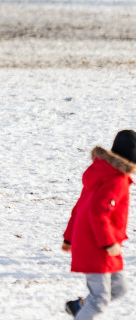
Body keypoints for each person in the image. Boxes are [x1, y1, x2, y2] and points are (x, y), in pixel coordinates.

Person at [62, 129, 136, 319]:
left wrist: (69, 238)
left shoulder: (102, 171)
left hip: (96, 240)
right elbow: (97, 212)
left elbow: (80, 207)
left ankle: (78, 307)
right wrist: (108, 243)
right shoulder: (116, 179)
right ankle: (82, 311)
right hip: (97, 244)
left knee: (119, 288)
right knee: (100, 299)